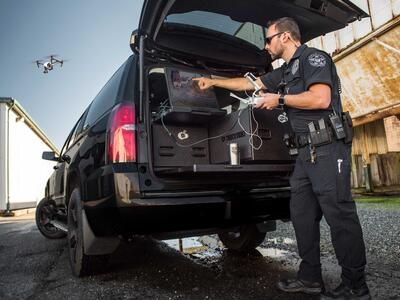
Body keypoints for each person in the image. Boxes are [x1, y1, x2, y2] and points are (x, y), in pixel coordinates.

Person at [193, 17, 370, 300]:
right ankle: (310, 278)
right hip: (304, 154)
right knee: (301, 215)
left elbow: (321, 99)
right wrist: (213, 81)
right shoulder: (285, 72)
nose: (266, 45)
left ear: (285, 37)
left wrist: (279, 100)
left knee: (339, 216)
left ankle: (355, 286)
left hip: (326, 148)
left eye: (268, 39)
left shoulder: (314, 59)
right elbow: (248, 84)